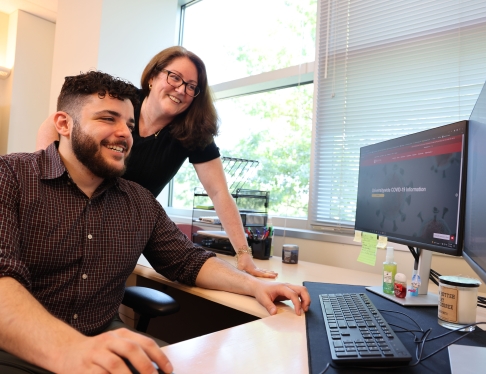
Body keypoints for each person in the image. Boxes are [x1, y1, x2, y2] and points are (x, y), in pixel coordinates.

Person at [0, 71, 310, 374]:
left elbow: (187, 260)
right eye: (108, 118)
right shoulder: (11, 177)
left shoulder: (138, 201)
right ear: (64, 124)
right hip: (17, 348)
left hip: (104, 337)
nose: (125, 133)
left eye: (129, 124)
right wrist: (70, 349)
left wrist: (253, 285)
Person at [37, 46, 278, 280]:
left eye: (191, 86)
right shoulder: (125, 101)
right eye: (175, 78)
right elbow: (56, 122)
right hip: (76, 211)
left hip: (121, 227)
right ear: (153, 77)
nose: (181, 89)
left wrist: (244, 254)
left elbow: (218, 193)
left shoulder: (193, 133)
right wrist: (51, 182)